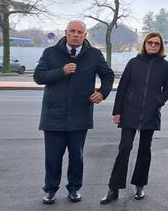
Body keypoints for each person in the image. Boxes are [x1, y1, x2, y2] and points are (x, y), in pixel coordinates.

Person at [34, 20, 115, 205]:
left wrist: (102, 92)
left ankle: (74, 189)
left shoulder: (94, 54)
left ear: (85, 35)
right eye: (72, 31)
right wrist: (61, 71)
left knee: (76, 157)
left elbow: (108, 75)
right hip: (53, 115)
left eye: (80, 32)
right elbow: (38, 76)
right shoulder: (50, 52)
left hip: (80, 114)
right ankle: (50, 190)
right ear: (66, 32)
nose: (76, 35)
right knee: (52, 157)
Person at [100, 32, 168, 204]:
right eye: (150, 42)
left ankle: (140, 184)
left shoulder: (165, 66)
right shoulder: (133, 63)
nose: (153, 45)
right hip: (130, 112)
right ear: (145, 44)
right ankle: (113, 188)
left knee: (144, 150)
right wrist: (117, 111)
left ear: (160, 46)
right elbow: (122, 88)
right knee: (124, 148)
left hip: (151, 114)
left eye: (156, 43)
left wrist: (158, 102)